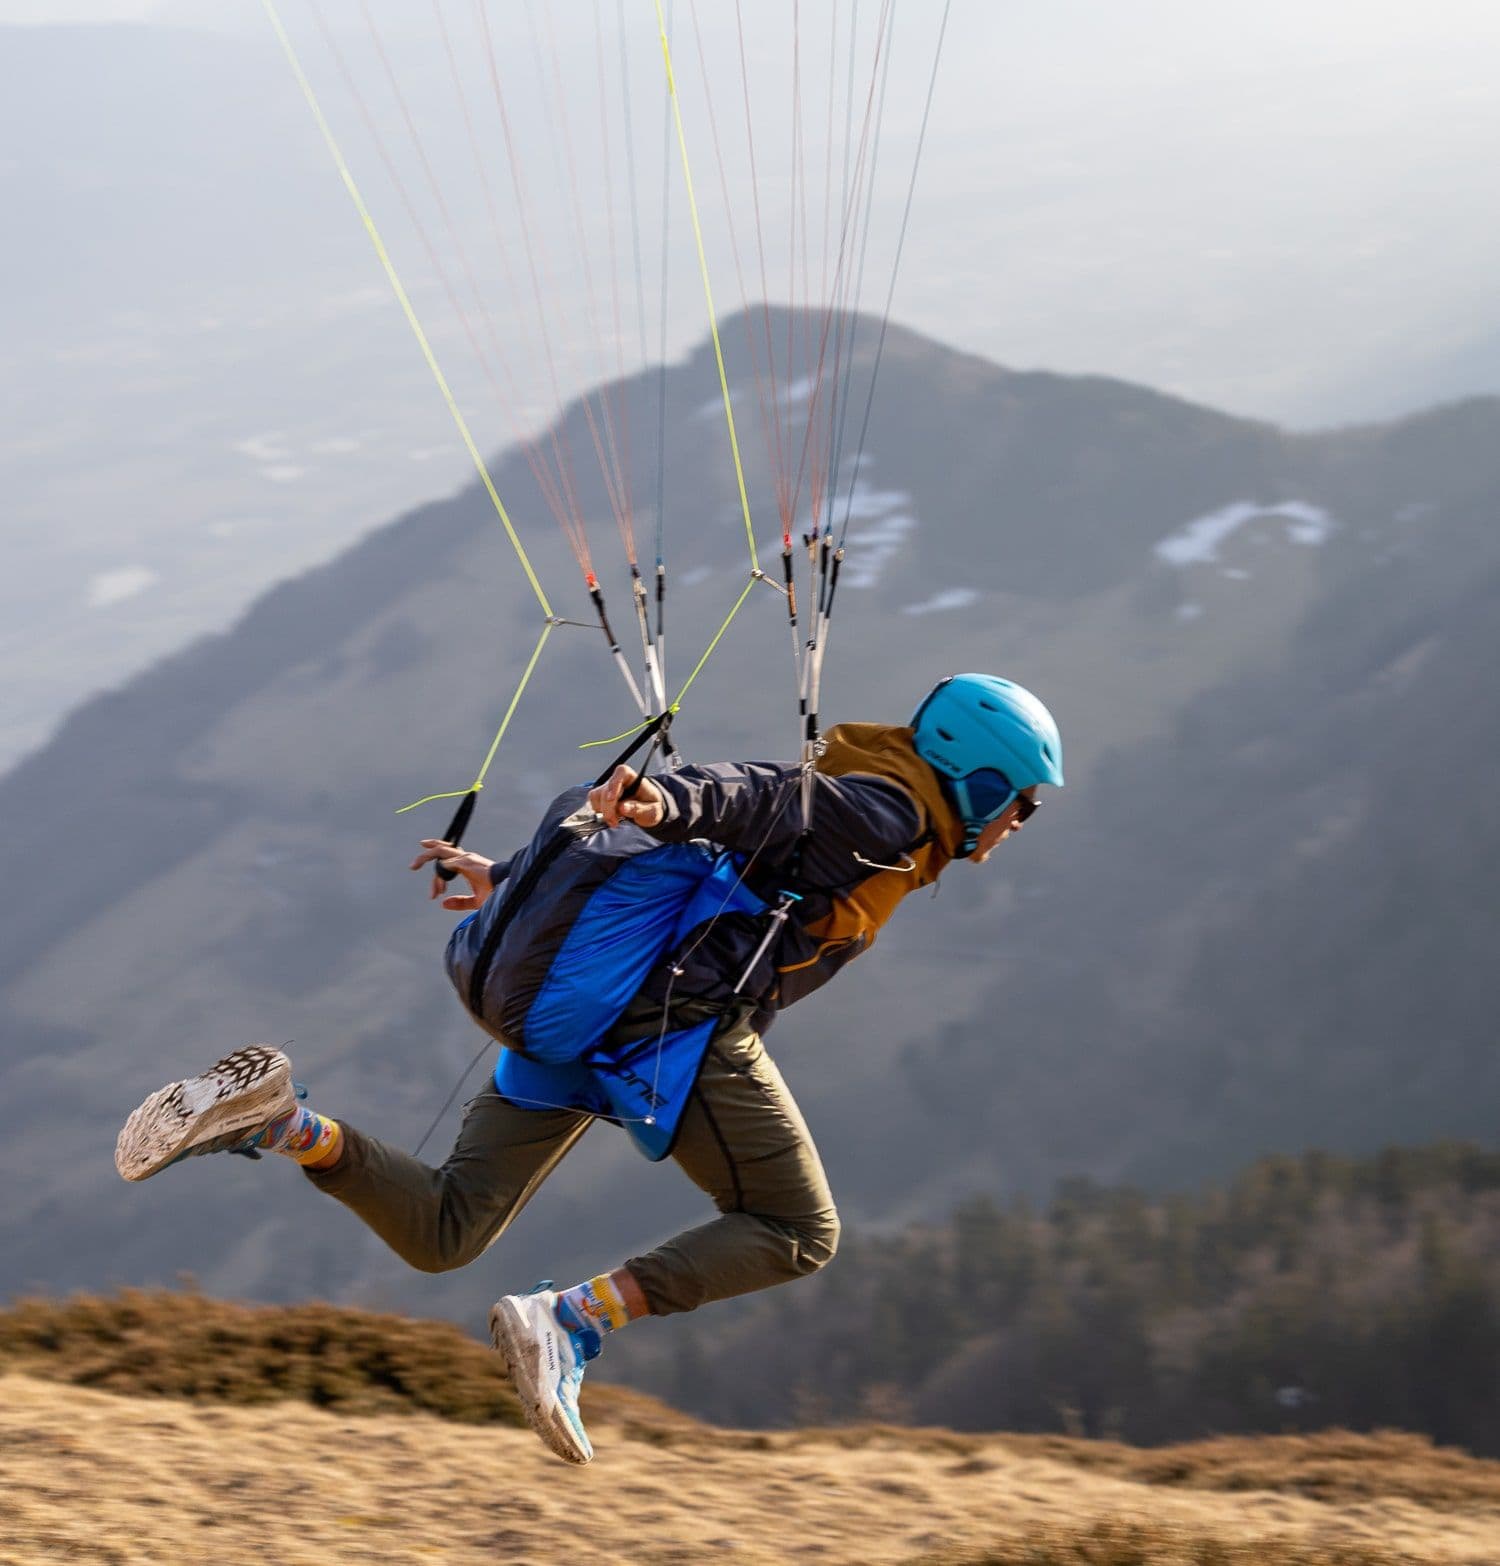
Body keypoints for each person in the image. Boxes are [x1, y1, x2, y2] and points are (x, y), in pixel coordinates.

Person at [115, 673, 1063, 1464]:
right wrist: (672, 796)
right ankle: (575, 1320)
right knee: (796, 1229)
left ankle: (282, 1121)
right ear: (982, 782)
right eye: (1020, 803)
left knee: (446, 1231)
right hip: (669, 1027)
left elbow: (701, 864)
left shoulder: (878, 803)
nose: (1020, 824)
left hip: (597, 1012)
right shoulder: (885, 814)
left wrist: (511, 880)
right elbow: (756, 798)